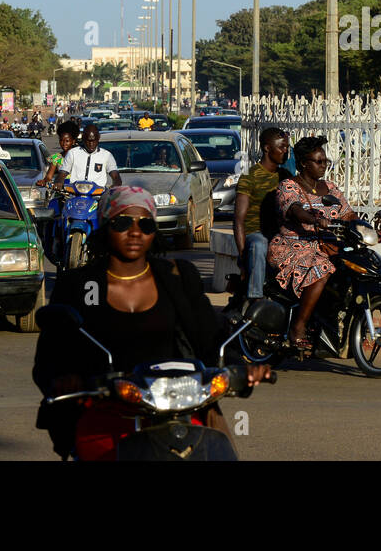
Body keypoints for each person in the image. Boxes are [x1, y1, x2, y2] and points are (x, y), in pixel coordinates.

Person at [31, 185, 270, 458]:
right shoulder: (78, 285)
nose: (135, 232)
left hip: (177, 410)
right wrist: (65, 379)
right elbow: (50, 356)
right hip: (107, 410)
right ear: (106, 225)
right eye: (123, 222)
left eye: (145, 224)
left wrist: (241, 368)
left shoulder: (178, 277)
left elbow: (212, 336)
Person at [268, 136, 356, 354]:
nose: (323, 165)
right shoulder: (288, 186)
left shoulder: (331, 188)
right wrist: (313, 219)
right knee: (322, 268)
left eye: (325, 161)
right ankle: (298, 328)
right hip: (292, 247)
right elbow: (294, 209)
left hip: (325, 247)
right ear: (304, 164)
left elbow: (347, 213)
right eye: (318, 161)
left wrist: (365, 227)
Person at [233, 128, 289, 303]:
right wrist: (242, 258)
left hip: (280, 234)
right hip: (256, 234)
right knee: (260, 244)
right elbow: (239, 221)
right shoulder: (250, 177)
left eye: (287, 147)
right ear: (267, 148)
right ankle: (255, 301)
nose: (285, 151)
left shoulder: (286, 176)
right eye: (281, 147)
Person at [54, 123, 121, 190]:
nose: (91, 144)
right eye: (88, 140)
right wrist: (58, 181)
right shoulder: (72, 153)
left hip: (98, 196)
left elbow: (115, 176)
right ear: (83, 138)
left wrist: (116, 184)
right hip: (75, 195)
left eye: (94, 140)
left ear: (98, 138)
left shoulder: (107, 155)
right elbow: (62, 173)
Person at [37, 121, 79, 187]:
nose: (64, 143)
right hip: (61, 191)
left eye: (67, 141)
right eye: (61, 140)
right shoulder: (56, 157)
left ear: (73, 141)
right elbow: (49, 177)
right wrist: (44, 181)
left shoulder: (79, 156)